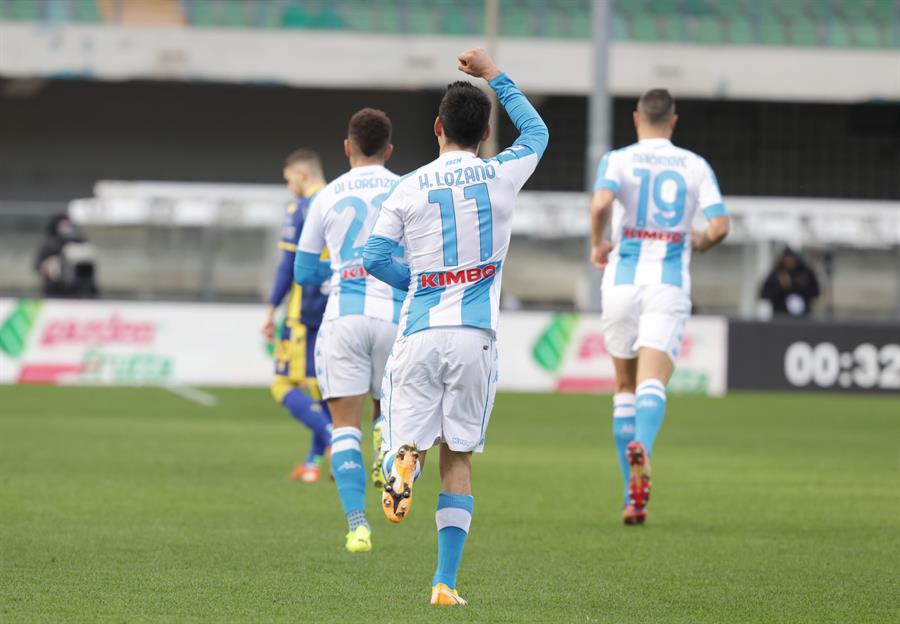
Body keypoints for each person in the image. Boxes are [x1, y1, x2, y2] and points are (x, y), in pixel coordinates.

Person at [362, 48, 548, 605]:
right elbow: (536, 133)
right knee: (459, 457)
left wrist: (419, 282)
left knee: (408, 436)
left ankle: (403, 458)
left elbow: (373, 255)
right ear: (487, 130)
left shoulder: (409, 186)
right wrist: (493, 74)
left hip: (420, 329)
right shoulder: (501, 174)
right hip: (475, 337)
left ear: (438, 127)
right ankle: (444, 583)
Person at [590, 89, 730, 525]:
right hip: (667, 283)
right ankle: (643, 449)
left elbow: (600, 204)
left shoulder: (617, 159)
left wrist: (598, 242)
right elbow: (720, 226)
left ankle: (633, 500)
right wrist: (700, 242)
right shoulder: (694, 165)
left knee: (624, 386)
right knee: (653, 382)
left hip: (621, 281)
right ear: (673, 121)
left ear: (636, 119)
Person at [293, 109, 404, 554]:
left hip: (344, 314)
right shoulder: (405, 187)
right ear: (389, 150)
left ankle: (358, 526)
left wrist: (336, 271)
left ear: (347, 147)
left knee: (343, 428)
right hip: (394, 316)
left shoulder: (327, 196)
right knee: (390, 411)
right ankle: (388, 441)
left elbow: (303, 272)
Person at [262, 149, 332, 483]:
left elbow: (287, 264)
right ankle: (313, 462)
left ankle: (337, 444)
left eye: (289, 180)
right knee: (324, 392)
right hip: (338, 307)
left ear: (302, 176)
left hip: (304, 313)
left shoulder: (303, 207)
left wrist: (271, 307)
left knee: (282, 384)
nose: (290, 187)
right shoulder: (340, 198)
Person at [35, 214, 99, 298]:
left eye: (67, 224)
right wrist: (50, 266)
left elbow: (89, 267)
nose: (65, 228)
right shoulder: (48, 244)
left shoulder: (80, 241)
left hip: (78, 289)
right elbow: (38, 266)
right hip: (54, 289)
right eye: (62, 224)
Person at [760, 247, 820, 317]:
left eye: (791, 259)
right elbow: (764, 294)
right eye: (787, 259)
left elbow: (815, 291)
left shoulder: (805, 272)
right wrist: (781, 288)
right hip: (780, 314)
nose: (789, 261)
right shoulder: (776, 274)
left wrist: (799, 287)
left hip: (803, 316)